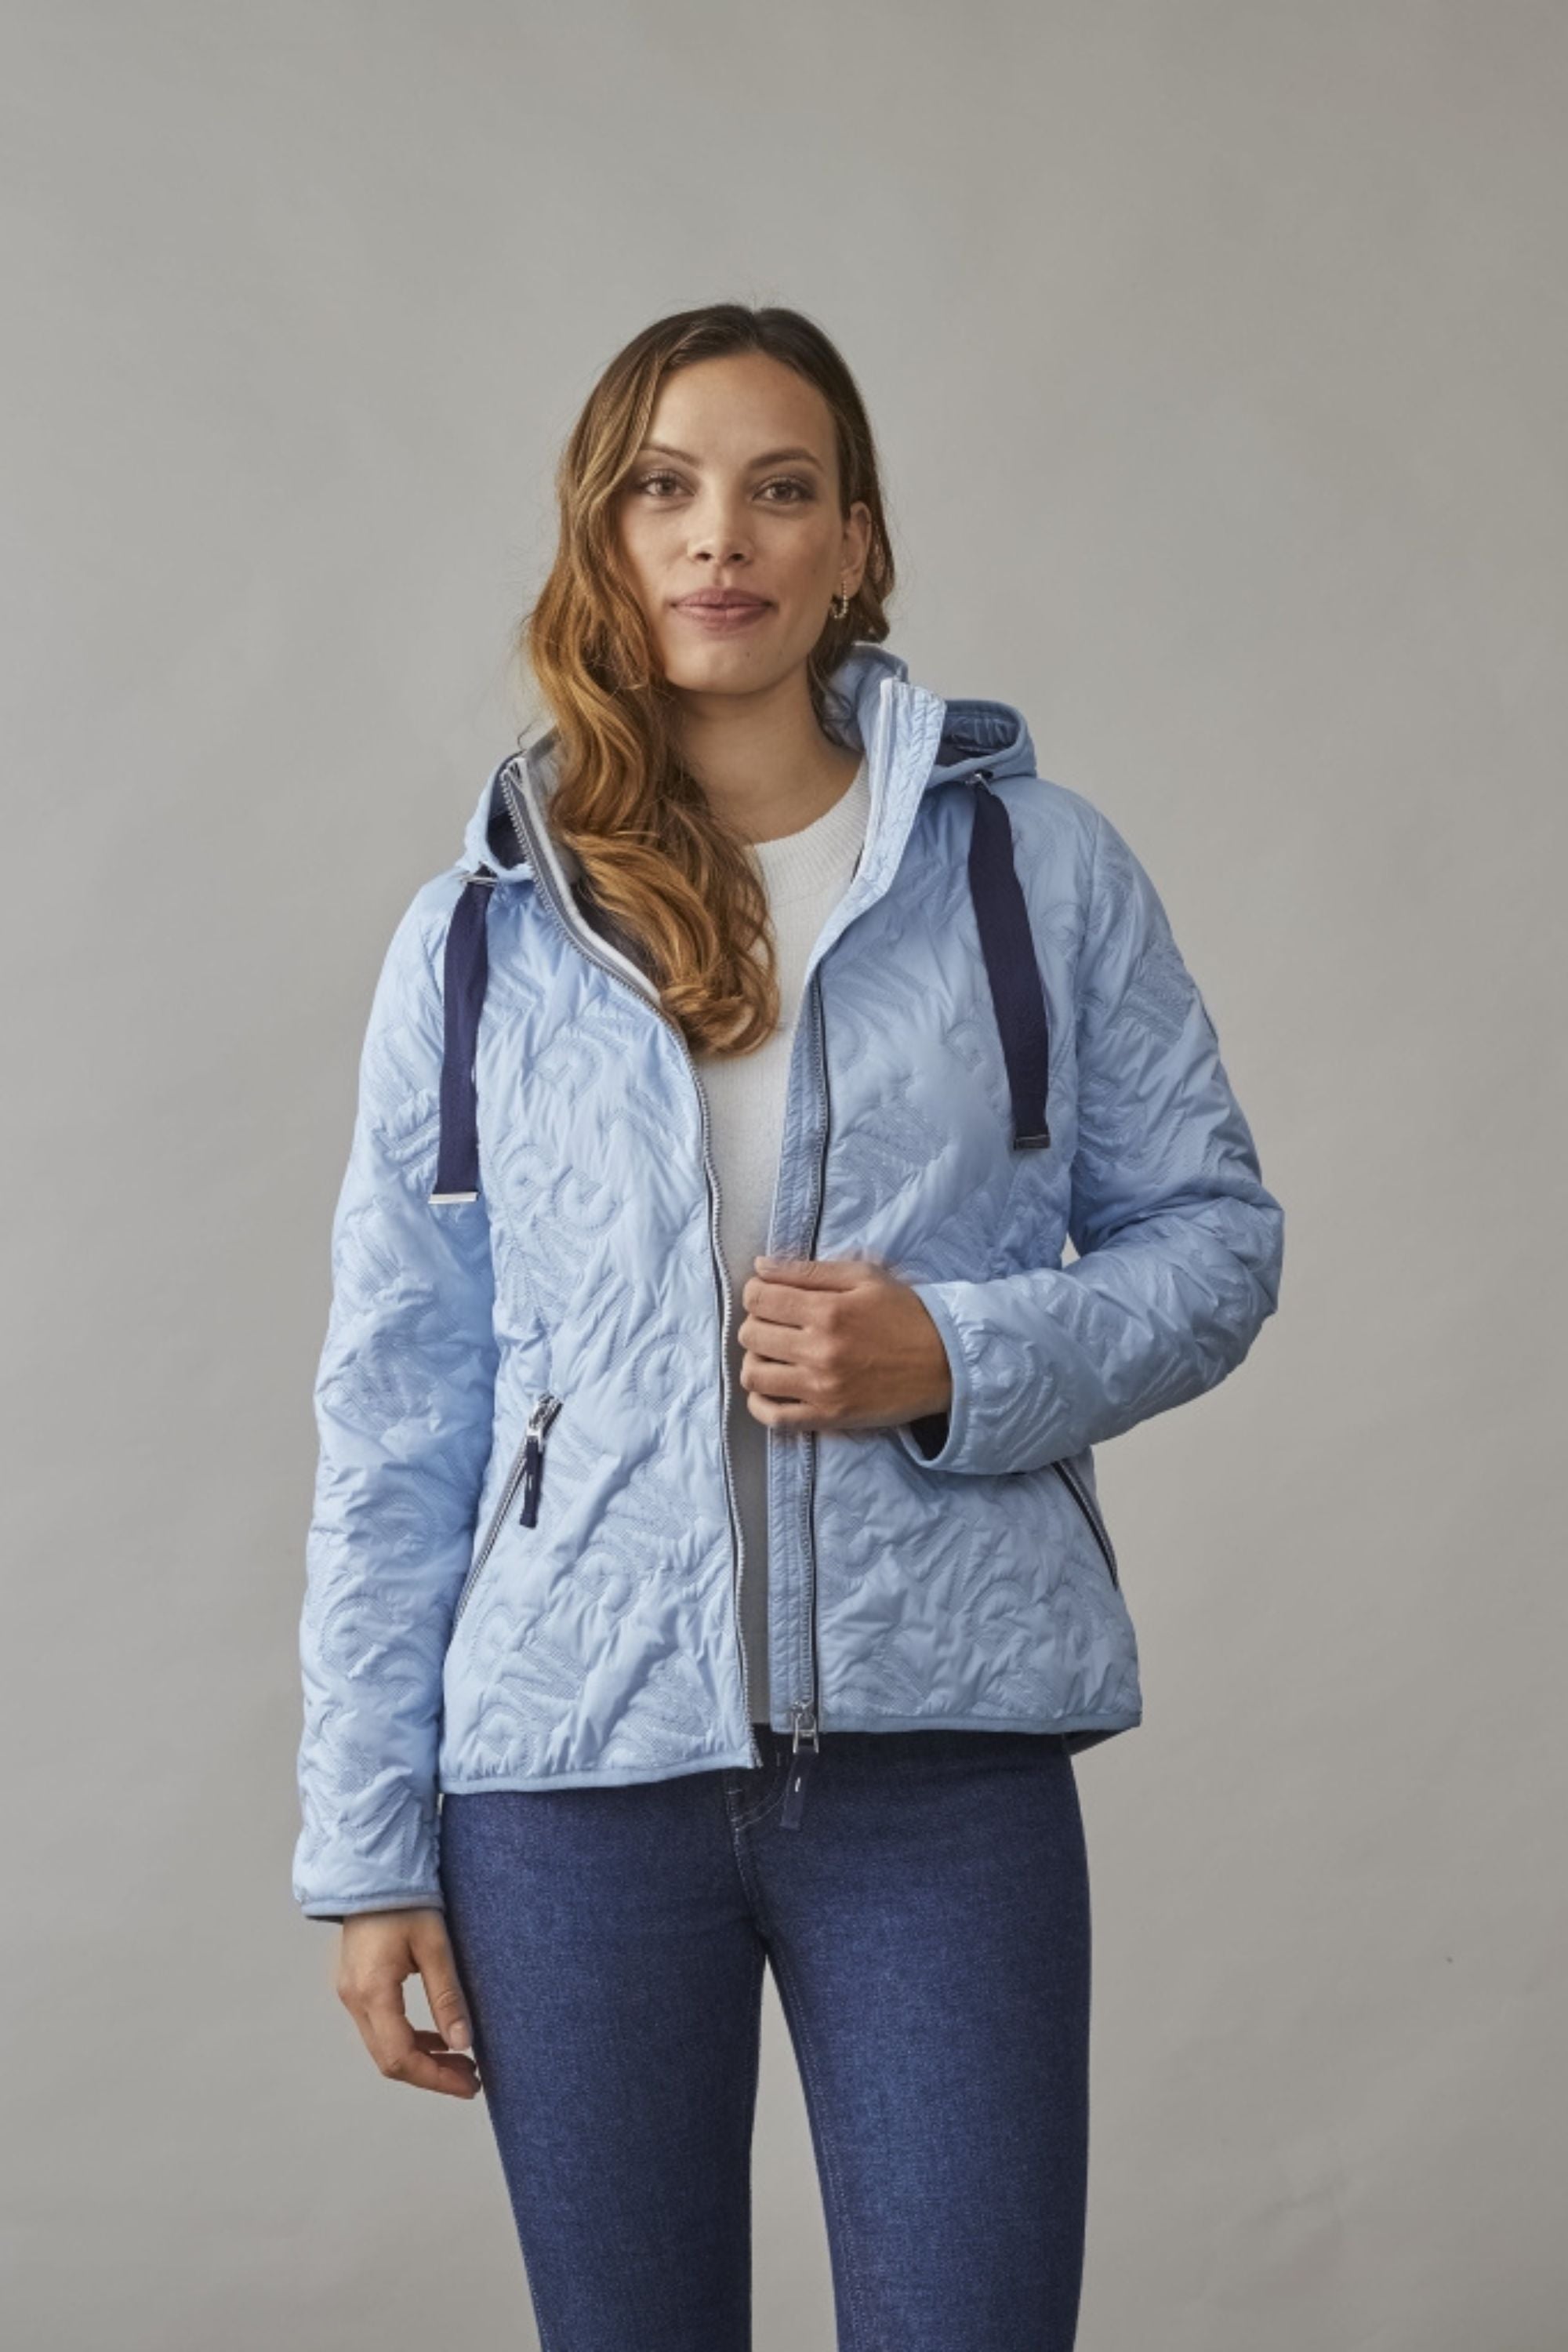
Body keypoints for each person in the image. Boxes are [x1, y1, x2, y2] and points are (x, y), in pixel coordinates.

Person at [292, 301, 1284, 2351]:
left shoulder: (1033, 873)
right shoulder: (483, 935)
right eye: (663, 487)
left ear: (857, 541)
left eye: (780, 487)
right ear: (604, 533)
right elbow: (398, 1414)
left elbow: (1212, 1243)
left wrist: (956, 1359)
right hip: (563, 1789)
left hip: (941, 1777)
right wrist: (366, 1846)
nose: (718, 535)